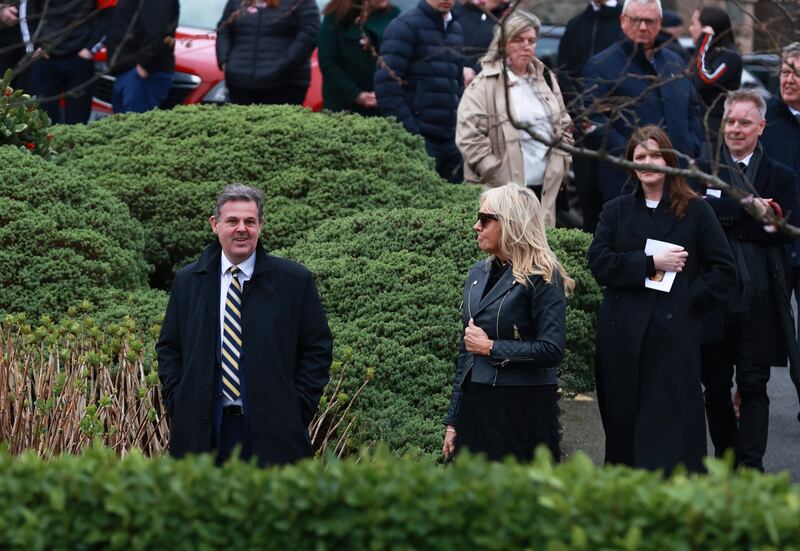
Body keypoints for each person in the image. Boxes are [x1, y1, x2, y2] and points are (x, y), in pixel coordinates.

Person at [587, 125, 735, 473]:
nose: (648, 162)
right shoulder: (616, 210)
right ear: (631, 164)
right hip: (622, 336)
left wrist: (687, 302)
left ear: (669, 160)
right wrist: (649, 263)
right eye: (640, 157)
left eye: (655, 155)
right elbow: (600, 263)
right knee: (626, 429)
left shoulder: (697, 211)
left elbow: (724, 271)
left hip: (674, 337)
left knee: (674, 431)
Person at [157, 184, 333, 466]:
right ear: (215, 225)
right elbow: (169, 348)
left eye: (250, 221)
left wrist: (296, 408)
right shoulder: (188, 281)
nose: (242, 228)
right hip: (203, 430)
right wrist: (179, 402)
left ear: (261, 225)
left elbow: (317, 349)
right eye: (232, 221)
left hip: (274, 431)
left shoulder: (294, 281)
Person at [698, 90, 800, 472]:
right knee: (715, 386)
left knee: (755, 385)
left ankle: (751, 465)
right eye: (730, 121)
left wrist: (724, 212)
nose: (735, 129)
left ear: (762, 126)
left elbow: (785, 229)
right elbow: (698, 216)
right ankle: (725, 460)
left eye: (744, 122)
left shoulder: (781, 175)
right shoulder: (700, 168)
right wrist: (749, 208)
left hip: (761, 293)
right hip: (714, 294)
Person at [442, 182, 573, 462]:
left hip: (524, 407)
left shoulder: (543, 274)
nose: (477, 226)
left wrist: (491, 348)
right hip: (478, 403)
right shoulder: (478, 272)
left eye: (486, 219)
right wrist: (453, 421)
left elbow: (551, 349)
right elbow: (467, 352)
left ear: (512, 223)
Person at [456, 9, 571, 227]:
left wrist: (562, 161)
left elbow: (564, 124)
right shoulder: (484, 84)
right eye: (518, 40)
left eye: (531, 40)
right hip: (500, 190)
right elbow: (469, 137)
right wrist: (496, 171)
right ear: (503, 42)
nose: (527, 46)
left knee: (538, 252)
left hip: (544, 188)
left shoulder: (545, 78)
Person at [582, 0, 702, 203]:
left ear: (660, 22)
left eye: (649, 20)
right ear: (623, 21)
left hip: (678, 178)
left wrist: (691, 143)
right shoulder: (601, 65)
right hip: (627, 183)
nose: (643, 27)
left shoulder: (675, 61)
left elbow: (693, 107)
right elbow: (592, 119)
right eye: (636, 20)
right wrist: (635, 155)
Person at [374, 0, 464, 183]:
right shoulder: (404, 26)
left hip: (451, 140)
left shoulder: (455, 29)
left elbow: (457, 82)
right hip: (420, 139)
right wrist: (412, 135)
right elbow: (386, 87)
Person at [557, 0, 622, 232]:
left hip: (617, 131)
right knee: (587, 198)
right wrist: (578, 112)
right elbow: (563, 73)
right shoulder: (576, 25)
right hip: (581, 130)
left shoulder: (624, 23)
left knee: (615, 202)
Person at [762, 43, 800, 343]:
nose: (789, 79)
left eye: (797, 73)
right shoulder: (764, 121)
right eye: (786, 71)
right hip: (771, 241)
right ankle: (750, 391)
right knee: (763, 330)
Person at [22, 0, 112, 124]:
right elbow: (26, 7)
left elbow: (109, 11)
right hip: (45, 57)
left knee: (78, 124)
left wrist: (90, 48)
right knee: (40, 122)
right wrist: (33, 47)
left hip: (80, 58)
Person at [216, 0, 319, 106]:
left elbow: (309, 34)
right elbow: (224, 28)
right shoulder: (237, 2)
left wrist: (282, 67)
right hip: (239, 82)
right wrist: (225, 61)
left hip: (285, 85)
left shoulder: (301, 2)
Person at [318, 0, 399, 115]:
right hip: (343, 107)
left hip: (384, 105)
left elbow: (402, 63)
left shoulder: (394, 14)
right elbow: (328, 62)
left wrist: (386, 93)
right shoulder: (337, 15)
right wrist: (356, 95)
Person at [106, 0, 179, 114]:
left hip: (141, 73)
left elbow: (158, 31)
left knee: (133, 126)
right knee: (121, 125)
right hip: (126, 69)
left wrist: (144, 65)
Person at [689, 6, 742, 154]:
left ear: (708, 30)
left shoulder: (730, 55)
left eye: (694, 24)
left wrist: (703, 43)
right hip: (696, 128)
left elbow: (705, 80)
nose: (690, 28)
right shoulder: (705, 55)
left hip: (713, 134)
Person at [453, 0, 508, 86]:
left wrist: (476, 71)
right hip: (448, 83)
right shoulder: (456, 10)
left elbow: (505, 55)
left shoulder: (508, 18)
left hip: (484, 85)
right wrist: (460, 69)